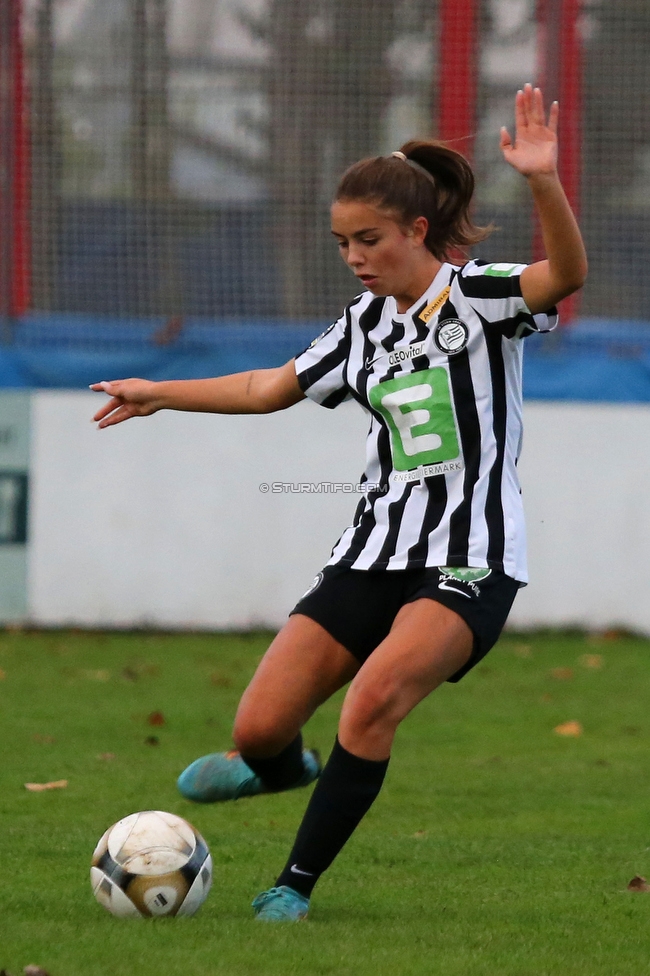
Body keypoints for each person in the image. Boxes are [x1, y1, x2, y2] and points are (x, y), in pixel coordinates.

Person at [92, 85, 587, 922]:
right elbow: (267, 386)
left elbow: (567, 275)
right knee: (257, 730)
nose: (355, 256)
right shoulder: (361, 324)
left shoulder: (483, 298)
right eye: (342, 242)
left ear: (417, 232)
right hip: (368, 554)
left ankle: (295, 885)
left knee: (374, 700)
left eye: (370, 240)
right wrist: (160, 392)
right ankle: (278, 767)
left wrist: (542, 180)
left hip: (470, 557)